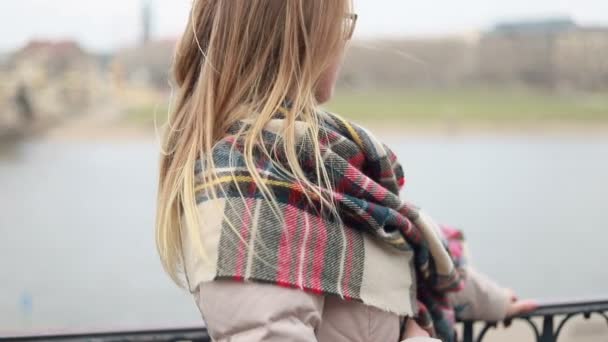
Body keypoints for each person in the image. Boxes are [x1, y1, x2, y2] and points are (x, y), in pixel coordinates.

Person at [155, 1, 536, 341]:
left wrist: (496, 302)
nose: (344, 42)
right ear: (304, 40)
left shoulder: (313, 162)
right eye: (341, 24)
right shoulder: (247, 191)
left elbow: (400, 254)